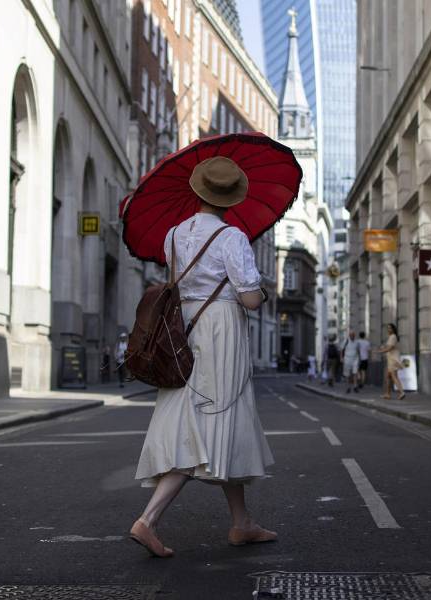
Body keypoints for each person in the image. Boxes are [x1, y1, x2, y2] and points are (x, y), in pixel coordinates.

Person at [130, 156, 276, 558]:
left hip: (183, 329)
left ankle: (241, 523)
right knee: (211, 422)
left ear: (197, 191)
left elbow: (180, 281)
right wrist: (259, 289)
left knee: (209, 420)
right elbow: (249, 299)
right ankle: (148, 519)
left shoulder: (174, 234)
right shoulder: (232, 238)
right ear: (232, 200)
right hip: (219, 330)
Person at [374, 323, 405, 401]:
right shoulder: (391, 337)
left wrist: (380, 351)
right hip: (391, 359)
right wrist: (383, 348)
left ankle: (401, 392)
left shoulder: (393, 336)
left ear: (393, 329)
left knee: (394, 376)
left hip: (393, 359)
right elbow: (388, 347)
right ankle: (387, 394)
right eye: (388, 328)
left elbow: (389, 348)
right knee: (388, 377)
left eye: (390, 328)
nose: (388, 330)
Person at [341, 329, 359, 394]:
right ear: (349, 335)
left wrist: (359, 358)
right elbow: (342, 350)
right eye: (351, 335)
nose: (352, 336)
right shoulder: (346, 341)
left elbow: (358, 350)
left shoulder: (357, 342)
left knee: (355, 373)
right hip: (347, 359)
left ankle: (355, 386)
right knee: (348, 375)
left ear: (355, 335)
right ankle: (348, 387)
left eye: (353, 335)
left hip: (355, 359)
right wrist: (341, 358)